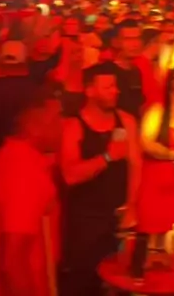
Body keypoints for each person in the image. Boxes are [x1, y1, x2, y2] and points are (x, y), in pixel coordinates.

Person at [60, 62, 141, 296]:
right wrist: (107, 157)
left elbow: (136, 165)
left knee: (121, 282)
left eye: (115, 86)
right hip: (85, 221)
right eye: (107, 87)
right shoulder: (74, 125)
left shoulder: (126, 121)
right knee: (85, 282)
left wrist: (132, 206)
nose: (115, 91)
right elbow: (70, 175)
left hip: (118, 219)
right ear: (90, 90)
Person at [0, 82, 62, 296]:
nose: (62, 126)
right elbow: (13, 263)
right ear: (32, 125)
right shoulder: (23, 169)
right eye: (56, 119)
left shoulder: (10, 157)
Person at [138, 65, 174, 248]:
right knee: (150, 242)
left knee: (171, 243)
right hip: (153, 186)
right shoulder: (158, 111)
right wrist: (173, 155)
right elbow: (145, 143)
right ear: (171, 83)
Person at [110, 19, 144, 119]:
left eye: (137, 38)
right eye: (128, 39)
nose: (135, 44)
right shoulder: (108, 73)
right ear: (116, 42)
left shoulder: (136, 71)